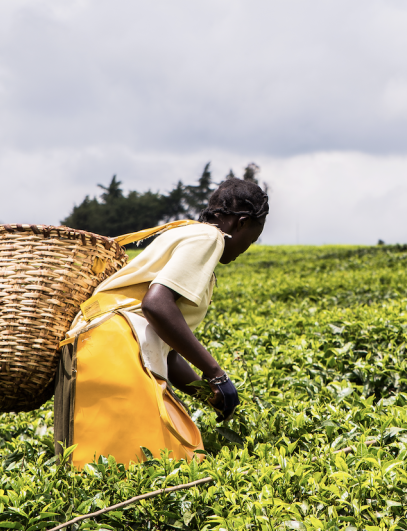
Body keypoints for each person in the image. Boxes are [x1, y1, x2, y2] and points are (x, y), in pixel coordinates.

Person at [54, 178, 268, 469]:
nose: (247, 248)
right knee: (160, 462)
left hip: (95, 345)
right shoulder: (209, 238)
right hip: (115, 346)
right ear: (241, 223)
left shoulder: (186, 233)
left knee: (93, 465)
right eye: (252, 239)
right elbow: (155, 306)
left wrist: (208, 394)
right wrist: (216, 373)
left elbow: (163, 346)